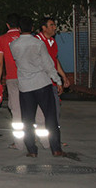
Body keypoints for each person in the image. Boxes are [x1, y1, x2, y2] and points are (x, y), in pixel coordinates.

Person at [9, 15, 64, 157]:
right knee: (50, 118)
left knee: (27, 120)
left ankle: (32, 150)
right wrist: (57, 80)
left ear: (19, 29)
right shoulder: (38, 44)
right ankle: (56, 149)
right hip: (42, 84)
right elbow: (48, 64)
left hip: (25, 87)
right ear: (32, 28)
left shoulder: (13, 45)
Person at [0, 13, 26, 150]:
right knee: (32, 108)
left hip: (12, 78)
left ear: (7, 25)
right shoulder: (26, 37)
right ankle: (37, 138)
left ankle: (19, 143)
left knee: (16, 110)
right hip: (29, 78)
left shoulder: (2, 39)